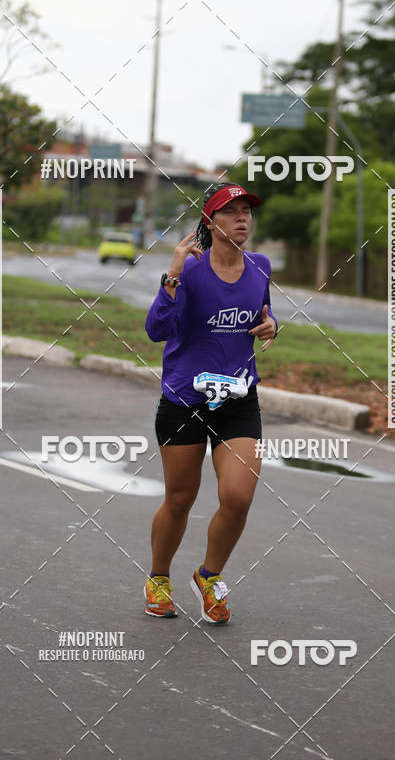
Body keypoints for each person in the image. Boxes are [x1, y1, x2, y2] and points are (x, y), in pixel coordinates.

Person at [143, 182, 278, 624]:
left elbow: (262, 316)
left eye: (247, 211)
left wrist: (270, 325)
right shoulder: (192, 270)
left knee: (238, 496)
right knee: (180, 498)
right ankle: (159, 578)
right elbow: (156, 330)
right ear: (210, 221)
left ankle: (208, 575)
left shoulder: (260, 268)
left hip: (238, 399)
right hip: (184, 400)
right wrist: (174, 274)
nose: (242, 218)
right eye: (231, 211)